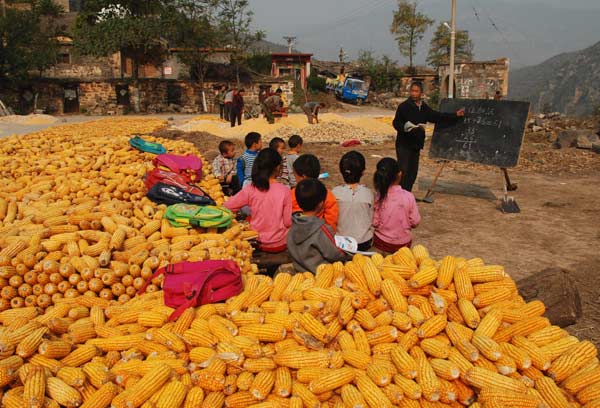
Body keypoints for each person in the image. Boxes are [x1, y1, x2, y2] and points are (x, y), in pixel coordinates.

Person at [393, 82, 465, 191]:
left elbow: (437, 116)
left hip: (416, 145)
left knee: (413, 172)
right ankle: (399, 195)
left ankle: (407, 195)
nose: (413, 93)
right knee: (404, 171)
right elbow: (396, 123)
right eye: (412, 91)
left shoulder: (424, 107)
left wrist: (455, 115)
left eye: (416, 91)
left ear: (421, 93)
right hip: (404, 144)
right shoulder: (403, 107)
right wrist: (406, 127)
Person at [225, 148, 292, 253]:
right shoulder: (285, 190)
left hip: (257, 242)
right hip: (280, 244)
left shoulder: (251, 189)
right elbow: (288, 222)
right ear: (277, 167)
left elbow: (228, 206)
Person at [287, 178, 348, 274]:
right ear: (321, 204)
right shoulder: (322, 229)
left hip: (300, 271)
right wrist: (346, 253)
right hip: (321, 274)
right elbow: (335, 254)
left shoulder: (293, 225)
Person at [372, 158, 421, 254]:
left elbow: (375, 222)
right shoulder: (408, 196)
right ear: (399, 174)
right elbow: (415, 222)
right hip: (403, 244)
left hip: (382, 243)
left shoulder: (378, 197)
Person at [332, 151, 374, 252]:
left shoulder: (334, 193)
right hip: (364, 243)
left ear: (341, 171)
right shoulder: (369, 194)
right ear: (363, 172)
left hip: (341, 243)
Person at [291, 154, 339, 232]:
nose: (295, 178)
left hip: (296, 234)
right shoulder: (327, 194)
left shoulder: (293, 193)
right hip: (319, 236)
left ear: (303, 177)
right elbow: (331, 222)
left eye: (295, 175)